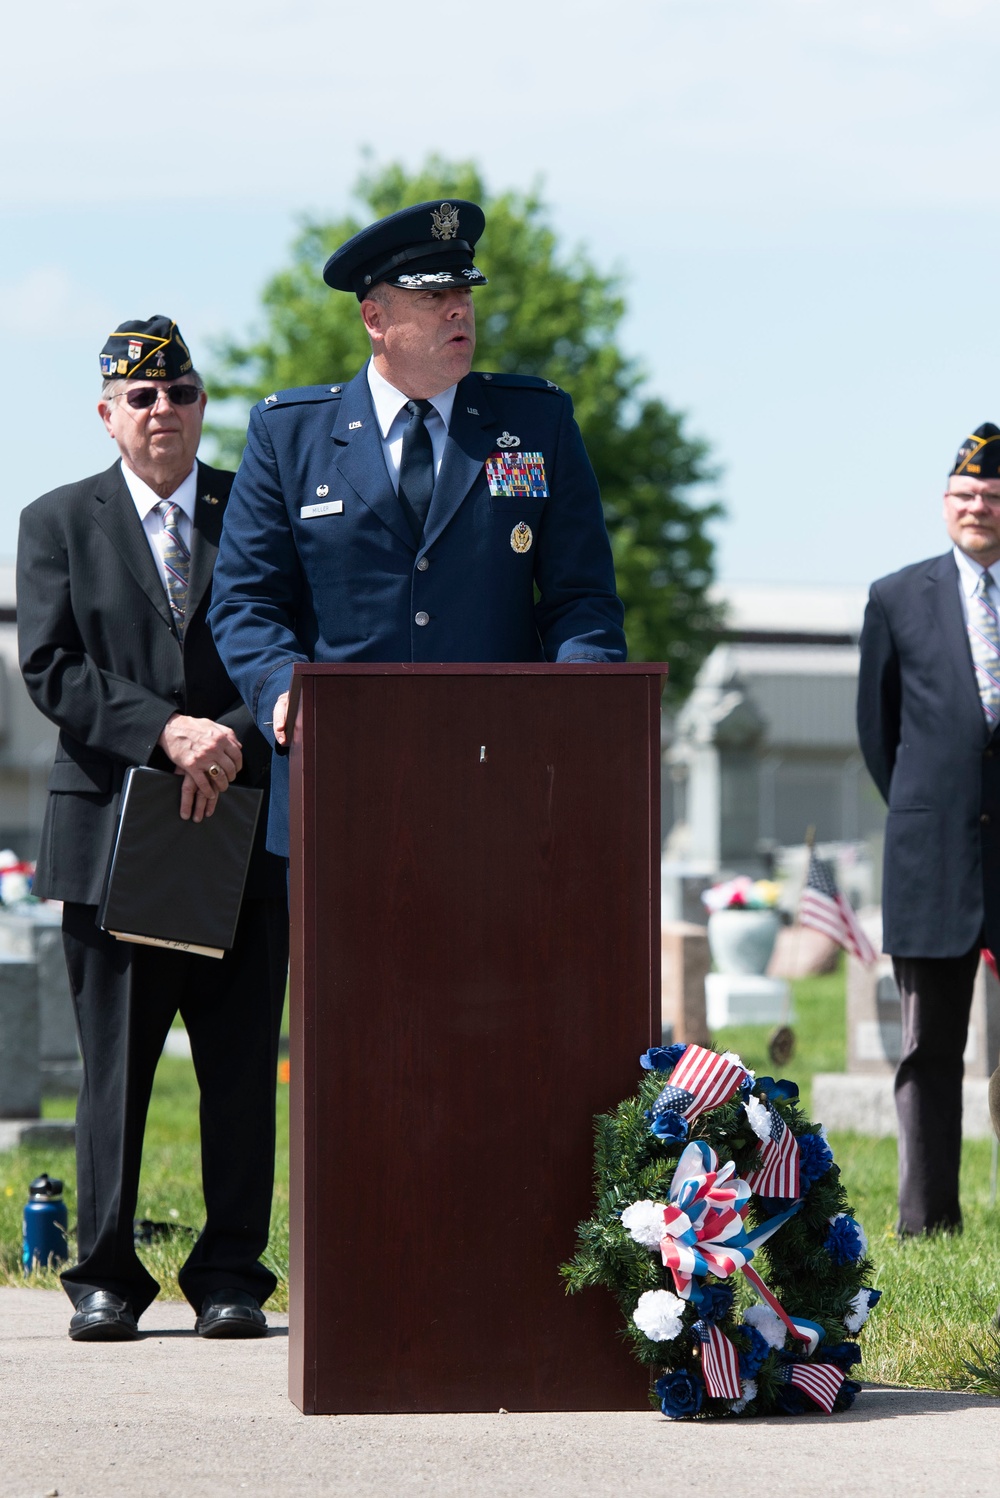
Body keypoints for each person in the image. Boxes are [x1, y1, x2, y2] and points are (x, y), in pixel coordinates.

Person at [17, 317, 289, 1341]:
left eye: (176, 393)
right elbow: (50, 668)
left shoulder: (255, 513)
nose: (160, 411)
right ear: (106, 414)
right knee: (114, 1070)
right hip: (113, 830)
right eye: (139, 397)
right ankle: (103, 1271)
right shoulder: (55, 522)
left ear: (201, 403)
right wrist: (163, 730)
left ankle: (229, 1274)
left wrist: (221, 736)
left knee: (237, 1066)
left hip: (241, 821)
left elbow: (290, 642)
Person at [208, 199, 627, 856]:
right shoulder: (289, 437)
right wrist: (283, 690)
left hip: (503, 788)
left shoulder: (537, 425)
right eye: (434, 296)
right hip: (341, 787)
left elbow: (583, 599)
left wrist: (584, 695)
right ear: (374, 318)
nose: (458, 308)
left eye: (464, 291)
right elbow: (245, 601)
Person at [857, 421, 1000, 1235]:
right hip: (932, 858)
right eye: (965, 494)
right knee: (928, 1053)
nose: (978, 506)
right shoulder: (895, 597)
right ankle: (926, 1222)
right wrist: (930, 808)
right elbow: (879, 735)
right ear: (945, 504)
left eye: (992, 496)